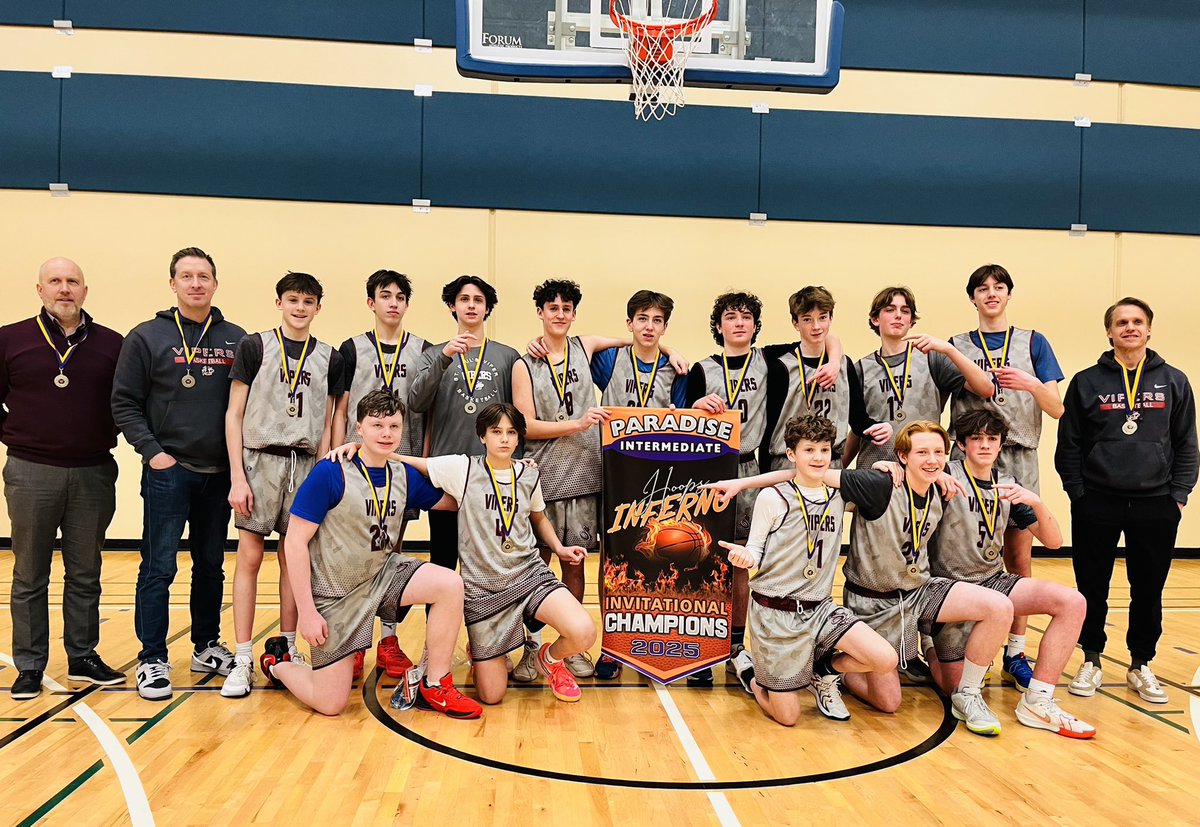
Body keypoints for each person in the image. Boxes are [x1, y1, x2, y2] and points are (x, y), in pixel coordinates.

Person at [263, 390, 480, 719]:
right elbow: (293, 543)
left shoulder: (402, 474)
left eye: (394, 426)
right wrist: (307, 612)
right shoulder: (330, 471)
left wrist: (507, 475)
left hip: (384, 574)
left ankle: (434, 684)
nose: (386, 433)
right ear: (358, 428)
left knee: (450, 584)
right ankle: (278, 665)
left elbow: (456, 499)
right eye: (377, 425)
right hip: (338, 592)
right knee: (331, 703)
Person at [113, 246, 247, 700]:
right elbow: (124, 402)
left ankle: (205, 645)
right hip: (169, 470)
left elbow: (247, 407)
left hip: (219, 473)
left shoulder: (237, 339)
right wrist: (153, 452)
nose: (195, 283)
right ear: (172, 283)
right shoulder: (146, 336)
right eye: (186, 276)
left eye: (203, 276)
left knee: (211, 566)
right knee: (158, 566)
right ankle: (152, 658)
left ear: (215, 283)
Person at [397, 403, 596, 705]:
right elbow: (413, 463)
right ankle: (482, 652)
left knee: (583, 632)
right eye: (496, 432)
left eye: (511, 432)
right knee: (492, 696)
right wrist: (357, 450)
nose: (504, 439)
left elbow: (539, 517)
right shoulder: (462, 469)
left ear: (518, 438)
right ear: (483, 437)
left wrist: (559, 548)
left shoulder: (528, 475)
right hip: (483, 590)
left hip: (528, 577)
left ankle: (550, 659)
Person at [1056, 297, 1197, 704]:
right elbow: (1070, 445)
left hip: (1156, 503)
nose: (1130, 328)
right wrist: (1078, 495)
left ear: (1149, 329)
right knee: (1091, 587)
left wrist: (1179, 496)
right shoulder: (1086, 381)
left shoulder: (1174, 380)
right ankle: (1092, 659)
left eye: (1137, 321)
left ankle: (1141, 663)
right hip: (1097, 500)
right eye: (1122, 322)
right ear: (1110, 331)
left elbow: (1187, 443)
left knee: (1148, 588)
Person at [717, 414, 899, 725]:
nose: (818, 457)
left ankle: (823, 671)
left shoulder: (841, 493)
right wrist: (746, 558)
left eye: (825, 450)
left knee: (885, 658)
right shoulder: (773, 498)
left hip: (820, 609)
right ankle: (751, 676)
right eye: (809, 450)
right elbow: (755, 551)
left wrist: (884, 467)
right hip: (775, 615)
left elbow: (874, 486)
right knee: (787, 717)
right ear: (791, 454)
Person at [925, 409, 1094, 738]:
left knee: (1073, 602)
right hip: (946, 587)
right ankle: (932, 646)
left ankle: (1038, 700)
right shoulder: (944, 475)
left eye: (992, 439)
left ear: (1001, 445)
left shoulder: (1008, 487)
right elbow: (900, 474)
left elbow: (1055, 542)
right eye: (977, 439)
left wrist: (1037, 503)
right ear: (961, 444)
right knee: (950, 684)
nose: (985, 445)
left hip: (991, 581)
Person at [1, 257, 125, 699]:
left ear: (85, 291)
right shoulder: (10, 339)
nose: (64, 289)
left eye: (73, 282)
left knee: (86, 571)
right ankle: (30, 666)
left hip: (92, 472)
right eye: (55, 281)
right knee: (30, 575)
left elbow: (125, 403)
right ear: (39, 290)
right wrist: (18, 436)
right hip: (31, 472)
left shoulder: (112, 344)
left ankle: (83, 655)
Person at [512, 279, 642, 681]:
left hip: (586, 473)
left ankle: (569, 647)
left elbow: (634, 340)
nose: (559, 314)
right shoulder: (523, 363)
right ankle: (528, 648)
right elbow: (525, 426)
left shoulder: (584, 348)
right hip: (544, 476)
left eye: (566, 308)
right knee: (538, 564)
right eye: (552, 307)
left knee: (576, 562)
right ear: (539, 312)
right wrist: (578, 423)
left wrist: (671, 351)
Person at [222, 272, 343, 698]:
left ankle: (288, 648)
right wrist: (237, 475)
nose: (299, 307)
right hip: (260, 461)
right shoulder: (255, 346)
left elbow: (331, 419)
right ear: (278, 303)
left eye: (308, 301)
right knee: (250, 558)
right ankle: (241, 656)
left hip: (307, 463)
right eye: (292, 299)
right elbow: (233, 414)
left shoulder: (329, 356)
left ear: (317, 308)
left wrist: (327, 467)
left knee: (295, 561)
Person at [948, 264, 1065, 689]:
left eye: (999, 287)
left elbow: (1056, 408)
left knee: (1018, 558)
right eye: (983, 288)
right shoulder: (958, 346)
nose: (991, 294)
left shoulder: (1033, 341)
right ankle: (949, 642)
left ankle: (1016, 652)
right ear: (973, 298)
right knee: (954, 551)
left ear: (1009, 295)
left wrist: (1032, 384)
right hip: (969, 457)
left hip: (1018, 456)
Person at [333, 269, 432, 680]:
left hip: (401, 467)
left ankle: (389, 640)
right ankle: (354, 639)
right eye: (384, 295)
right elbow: (340, 410)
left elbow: (426, 415)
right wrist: (334, 459)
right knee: (356, 556)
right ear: (371, 303)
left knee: (391, 554)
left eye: (400, 297)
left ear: (407, 304)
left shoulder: (423, 349)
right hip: (358, 468)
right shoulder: (351, 349)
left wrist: (421, 463)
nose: (393, 302)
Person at [590, 289, 687, 680]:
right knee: (613, 561)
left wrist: (669, 354)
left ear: (666, 326)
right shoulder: (610, 359)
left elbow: (683, 418)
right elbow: (581, 346)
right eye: (642, 319)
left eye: (658, 321)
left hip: (657, 480)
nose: (650, 327)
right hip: (615, 472)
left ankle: (650, 640)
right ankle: (612, 647)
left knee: (655, 557)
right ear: (629, 323)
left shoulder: (675, 371)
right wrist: (665, 347)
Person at [408, 276, 521, 577]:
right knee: (442, 561)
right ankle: (438, 625)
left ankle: (495, 626)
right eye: (464, 299)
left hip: (493, 475)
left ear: (487, 309)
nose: (471, 305)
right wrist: (444, 358)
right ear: (452, 306)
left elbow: (518, 417)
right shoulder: (433, 353)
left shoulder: (508, 356)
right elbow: (416, 403)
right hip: (447, 473)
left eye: (478, 300)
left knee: (494, 566)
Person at [687, 291, 770, 687]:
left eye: (747, 316)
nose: (739, 322)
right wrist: (695, 407)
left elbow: (826, 340)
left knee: (741, 565)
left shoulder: (772, 363)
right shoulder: (701, 369)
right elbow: (679, 421)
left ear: (755, 325)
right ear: (718, 326)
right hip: (710, 472)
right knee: (702, 560)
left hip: (751, 469)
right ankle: (702, 645)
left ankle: (736, 647)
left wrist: (837, 355)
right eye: (731, 317)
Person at [853, 285, 994, 468]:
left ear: (911, 321)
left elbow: (986, 389)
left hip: (923, 469)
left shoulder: (932, 358)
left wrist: (949, 349)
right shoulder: (861, 368)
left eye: (905, 311)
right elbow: (859, 428)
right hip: (875, 469)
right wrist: (840, 468)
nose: (898, 315)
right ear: (875, 319)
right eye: (890, 310)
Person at [763, 286, 890, 473]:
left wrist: (878, 429)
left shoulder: (844, 364)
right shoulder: (780, 364)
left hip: (831, 463)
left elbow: (858, 420)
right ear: (795, 323)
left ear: (830, 318)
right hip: (788, 464)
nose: (816, 326)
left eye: (822, 317)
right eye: (807, 320)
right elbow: (770, 425)